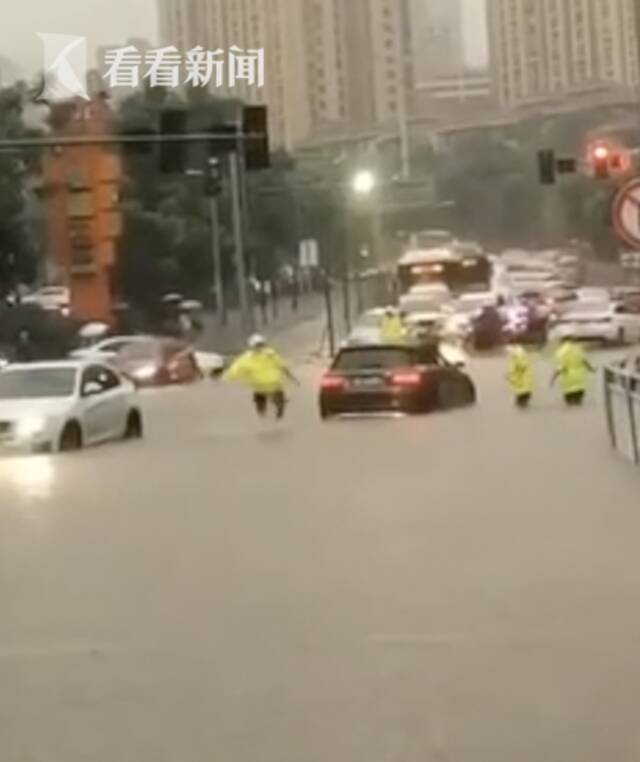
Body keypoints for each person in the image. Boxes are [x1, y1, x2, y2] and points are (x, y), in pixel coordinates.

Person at [223, 334, 299, 419]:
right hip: (274, 383)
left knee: (260, 397)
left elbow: (236, 369)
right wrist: (292, 378)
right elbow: (282, 365)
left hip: (258, 385)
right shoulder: (270, 354)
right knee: (278, 395)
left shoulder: (247, 357)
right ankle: (279, 407)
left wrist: (226, 377)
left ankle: (263, 412)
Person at [551, 335, 595, 406]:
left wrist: (552, 379)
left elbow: (560, 367)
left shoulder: (561, 351)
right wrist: (592, 369)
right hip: (580, 379)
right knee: (579, 402)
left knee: (570, 404)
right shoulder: (578, 349)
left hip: (568, 380)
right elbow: (585, 361)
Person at [506, 342, 534, 408]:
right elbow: (514, 367)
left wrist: (512, 374)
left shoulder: (517, 354)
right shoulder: (517, 354)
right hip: (521, 385)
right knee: (520, 404)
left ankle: (522, 402)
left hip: (522, 385)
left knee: (521, 404)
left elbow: (522, 366)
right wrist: (509, 375)